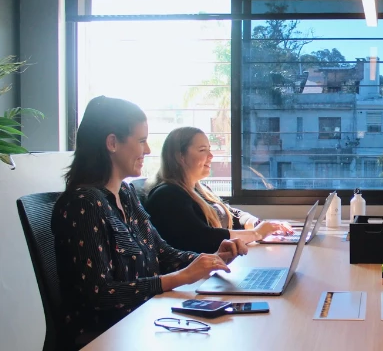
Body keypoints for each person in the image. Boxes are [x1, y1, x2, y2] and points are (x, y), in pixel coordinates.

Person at [52, 96, 247, 348]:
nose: (148, 150)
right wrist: (179, 277)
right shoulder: (83, 204)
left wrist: (211, 259)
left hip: (142, 320)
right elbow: (100, 294)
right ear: (112, 143)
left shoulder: (126, 194)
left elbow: (162, 253)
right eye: (141, 141)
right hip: (105, 337)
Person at [144, 127, 293, 254]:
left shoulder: (200, 189)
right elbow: (203, 238)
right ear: (180, 156)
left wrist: (258, 224)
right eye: (202, 150)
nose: (211, 156)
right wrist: (256, 233)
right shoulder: (167, 196)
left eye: (209, 150)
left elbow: (233, 215)